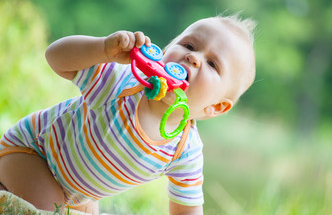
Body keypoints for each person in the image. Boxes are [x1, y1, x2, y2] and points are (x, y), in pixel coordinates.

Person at [0, 14, 256, 215]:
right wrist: (102, 49)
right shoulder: (121, 83)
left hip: (81, 193)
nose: (193, 57)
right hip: (34, 154)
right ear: (165, 50)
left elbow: (186, 210)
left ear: (215, 108)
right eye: (189, 45)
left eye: (212, 64)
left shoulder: (184, 150)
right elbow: (55, 57)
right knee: (50, 211)